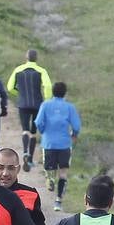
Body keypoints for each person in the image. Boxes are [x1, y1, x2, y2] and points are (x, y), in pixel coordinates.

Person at [34, 81, 82, 210]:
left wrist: (43, 130)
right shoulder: (69, 107)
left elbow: (38, 122)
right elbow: (76, 125)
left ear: (52, 92)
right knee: (63, 173)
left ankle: (50, 179)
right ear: (65, 93)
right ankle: (58, 201)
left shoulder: (45, 105)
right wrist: (74, 134)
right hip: (64, 143)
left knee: (49, 168)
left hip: (48, 142)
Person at [6, 49, 53, 172]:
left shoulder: (18, 70)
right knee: (33, 131)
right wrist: (47, 100)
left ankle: (25, 152)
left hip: (23, 103)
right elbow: (47, 86)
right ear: (36, 58)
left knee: (25, 130)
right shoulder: (41, 71)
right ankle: (30, 159)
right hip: (37, 104)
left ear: (26, 57)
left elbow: (10, 87)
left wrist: (19, 93)